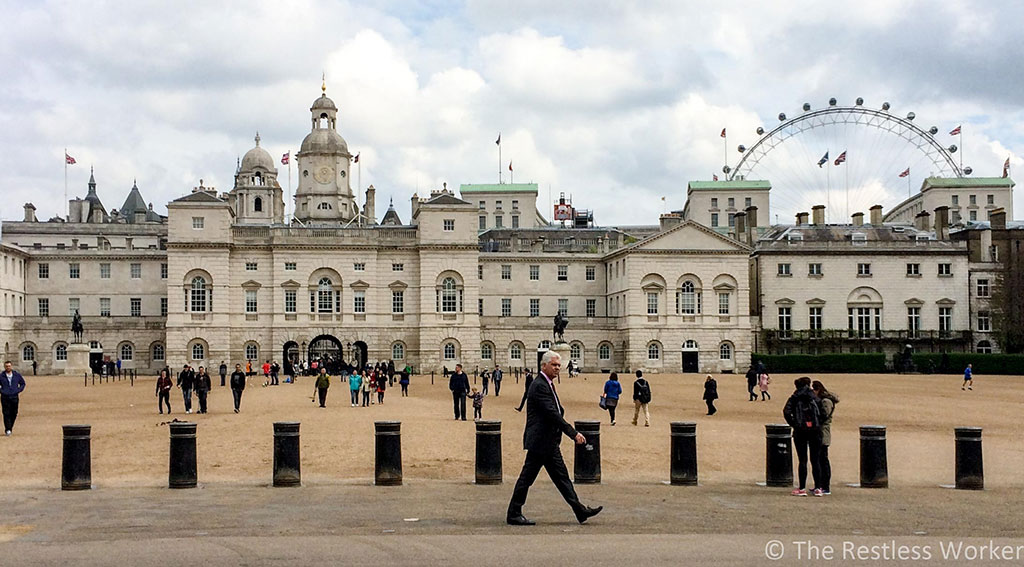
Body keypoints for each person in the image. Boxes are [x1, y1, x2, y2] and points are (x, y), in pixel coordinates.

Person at [507, 350, 602, 526]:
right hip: (541, 442)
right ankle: (513, 513)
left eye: (559, 365)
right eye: (554, 365)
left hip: (547, 441)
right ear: (544, 365)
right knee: (527, 478)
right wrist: (573, 433)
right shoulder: (540, 385)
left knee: (562, 478)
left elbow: (556, 411)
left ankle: (580, 511)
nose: (558, 368)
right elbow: (552, 414)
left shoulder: (546, 383)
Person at [783, 377, 824, 497]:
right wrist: (818, 424)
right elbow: (824, 413)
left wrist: (794, 424)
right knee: (815, 460)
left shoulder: (794, 397)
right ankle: (818, 488)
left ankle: (801, 488)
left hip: (800, 430)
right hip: (815, 430)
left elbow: (786, 411)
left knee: (803, 460)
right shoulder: (815, 398)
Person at [812, 380, 838, 496]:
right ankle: (820, 484)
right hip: (820, 431)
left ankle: (825, 486)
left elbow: (824, 416)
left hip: (823, 432)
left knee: (823, 460)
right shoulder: (823, 400)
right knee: (819, 459)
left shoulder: (826, 401)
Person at [1, 361, 27, 435]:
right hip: (5, 397)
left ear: (11, 366)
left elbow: (22, 383)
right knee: (6, 413)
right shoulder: (1, 376)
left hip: (14, 396)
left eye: (9, 366)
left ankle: (10, 427)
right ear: (4, 367)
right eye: (6, 366)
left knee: (14, 413)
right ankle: (8, 429)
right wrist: (2, 391)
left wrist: (18, 390)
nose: (8, 367)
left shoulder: (16, 375)